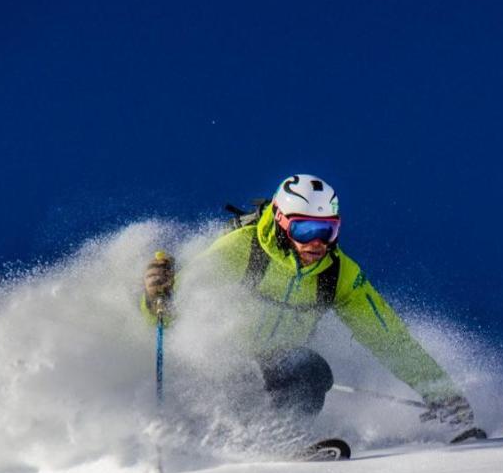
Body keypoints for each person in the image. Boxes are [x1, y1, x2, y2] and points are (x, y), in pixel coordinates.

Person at [141, 174, 475, 437]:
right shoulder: (242, 250)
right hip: (223, 365)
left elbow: (388, 337)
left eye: (327, 231)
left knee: (311, 369)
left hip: (277, 368)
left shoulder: (338, 273)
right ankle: (224, 432)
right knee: (241, 372)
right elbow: (172, 314)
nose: (317, 242)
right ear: (282, 222)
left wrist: (440, 391)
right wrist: (157, 295)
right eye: (305, 229)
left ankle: (286, 438)